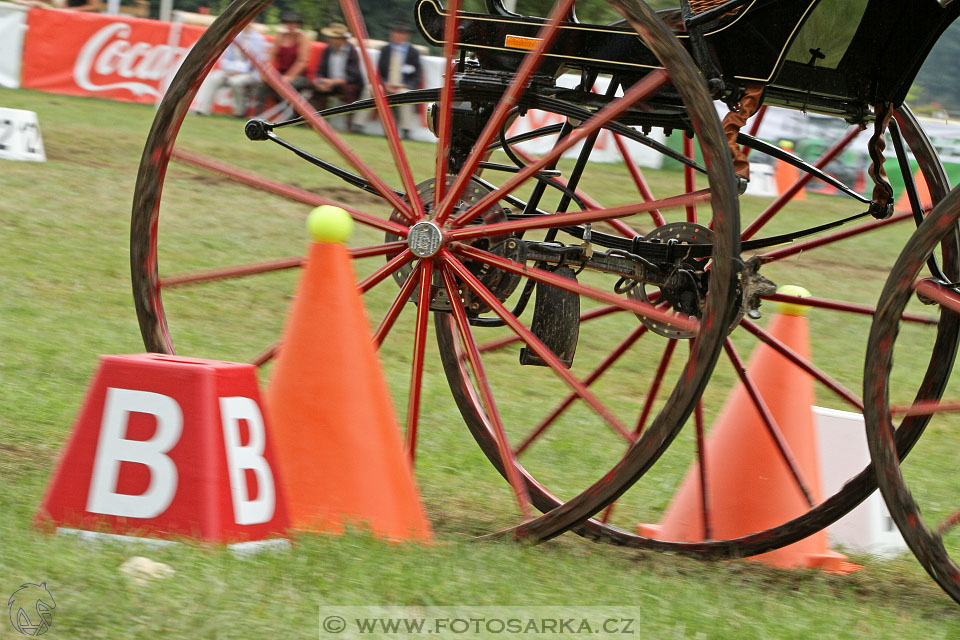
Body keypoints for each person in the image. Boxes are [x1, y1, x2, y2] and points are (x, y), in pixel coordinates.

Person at [193, 26, 267, 117]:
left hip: (249, 73)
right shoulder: (234, 36)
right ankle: (202, 109)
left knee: (236, 82)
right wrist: (230, 69)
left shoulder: (258, 39)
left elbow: (256, 62)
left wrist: (238, 70)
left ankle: (239, 112)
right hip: (230, 71)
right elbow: (225, 58)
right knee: (213, 78)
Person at [310, 22, 365, 132]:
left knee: (348, 92)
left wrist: (334, 82)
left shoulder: (351, 51)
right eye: (331, 37)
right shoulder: (327, 50)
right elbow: (321, 70)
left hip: (348, 84)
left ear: (342, 39)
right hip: (330, 83)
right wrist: (319, 81)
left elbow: (354, 76)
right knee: (314, 90)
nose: (331, 40)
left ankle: (349, 127)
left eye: (335, 38)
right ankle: (315, 123)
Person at [255, 11, 312, 116]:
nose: (291, 26)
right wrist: (266, 72)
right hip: (281, 75)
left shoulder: (302, 38)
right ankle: (257, 116)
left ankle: (292, 116)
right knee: (265, 84)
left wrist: (290, 76)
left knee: (287, 86)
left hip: (299, 76)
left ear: (298, 25)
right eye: (289, 23)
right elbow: (272, 56)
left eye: (294, 23)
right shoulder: (280, 37)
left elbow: (302, 61)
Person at [376, 19, 422, 138]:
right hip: (385, 84)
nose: (397, 35)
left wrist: (404, 85)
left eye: (401, 32)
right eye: (395, 32)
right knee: (371, 89)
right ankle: (357, 125)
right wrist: (385, 84)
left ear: (407, 36)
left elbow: (416, 76)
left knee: (405, 94)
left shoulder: (413, 53)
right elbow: (378, 72)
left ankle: (406, 130)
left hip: (403, 86)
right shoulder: (385, 50)